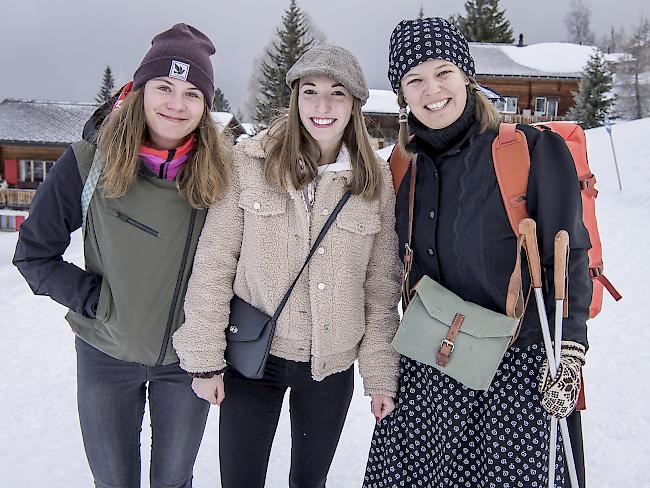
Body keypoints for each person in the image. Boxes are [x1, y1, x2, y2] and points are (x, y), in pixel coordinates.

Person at [363, 18, 592, 488]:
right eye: (414, 79)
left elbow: (569, 253)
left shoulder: (531, 151)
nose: (432, 91)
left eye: (443, 72)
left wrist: (569, 350)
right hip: (434, 365)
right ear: (401, 95)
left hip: (518, 370)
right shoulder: (401, 168)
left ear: (466, 74)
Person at [13, 23, 232, 488]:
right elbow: (34, 255)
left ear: (206, 106)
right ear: (138, 90)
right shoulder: (88, 162)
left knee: (173, 482)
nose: (176, 104)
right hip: (104, 356)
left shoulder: (222, 176)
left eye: (193, 93)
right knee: (114, 482)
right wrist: (97, 303)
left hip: (184, 363)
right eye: (165, 87)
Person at [172, 44, 401, 488]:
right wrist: (203, 360)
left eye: (337, 94)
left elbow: (381, 285)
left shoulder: (375, 180)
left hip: (329, 366)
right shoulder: (249, 162)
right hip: (254, 358)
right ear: (294, 97)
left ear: (355, 104)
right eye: (310, 91)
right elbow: (216, 263)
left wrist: (379, 373)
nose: (322, 106)